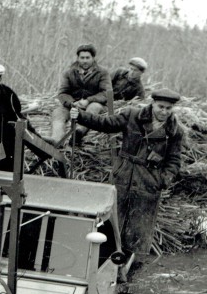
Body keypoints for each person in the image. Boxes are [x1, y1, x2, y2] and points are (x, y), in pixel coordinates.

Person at [70, 89, 184, 271]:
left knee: (137, 230)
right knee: (111, 223)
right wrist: (81, 117)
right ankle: (100, 268)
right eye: (161, 107)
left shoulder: (175, 131)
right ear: (152, 103)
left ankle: (128, 272)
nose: (164, 111)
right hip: (122, 177)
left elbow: (174, 160)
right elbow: (105, 123)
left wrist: (163, 180)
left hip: (148, 184)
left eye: (168, 108)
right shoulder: (132, 115)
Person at [49, 44, 112, 145]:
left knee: (94, 108)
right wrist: (72, 103)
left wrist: (88, 100)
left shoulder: (102, 72)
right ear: (78, 58)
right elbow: (63, 92)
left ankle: (78, 132)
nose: (85, 61)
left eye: (88, 58)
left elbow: (106, 93)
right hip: (74, 105)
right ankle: (56, 139)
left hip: (94, 104)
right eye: (82, 58)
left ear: (93, 58)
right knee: (58, 112)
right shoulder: (69, 72)